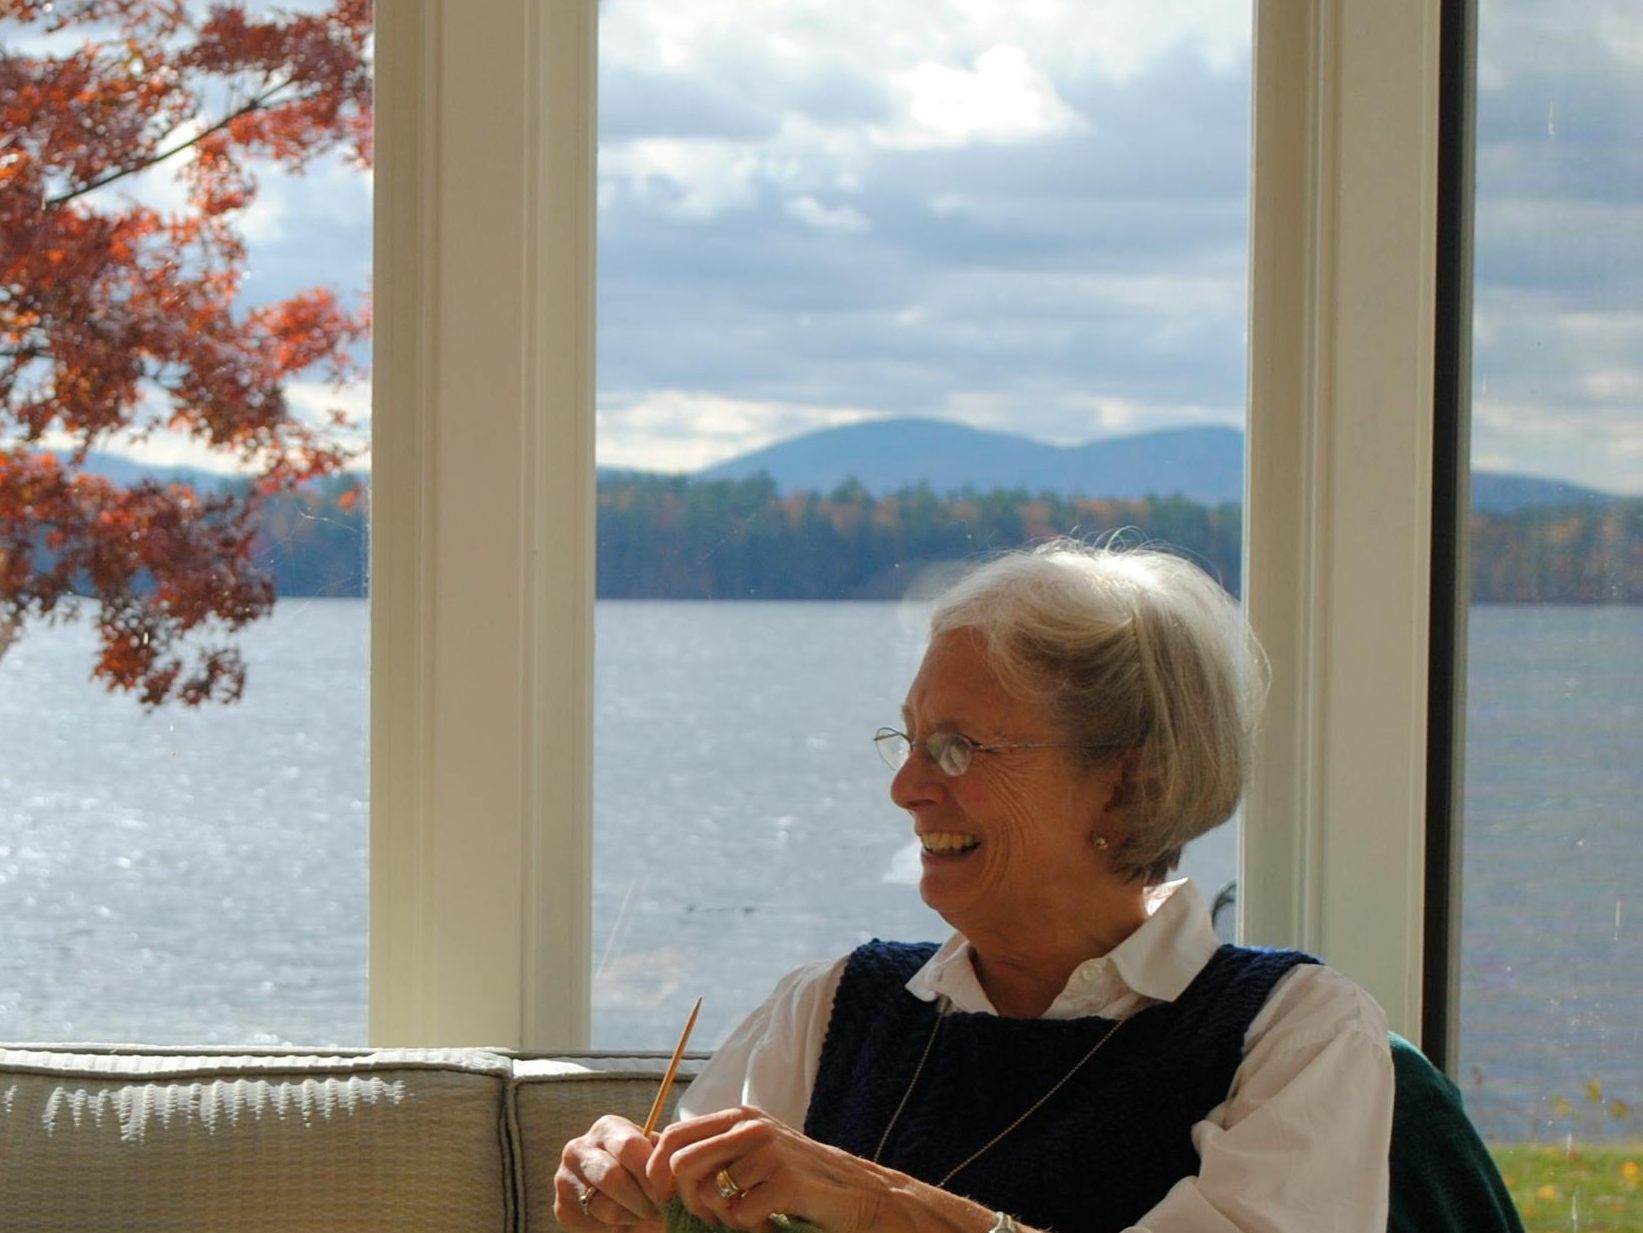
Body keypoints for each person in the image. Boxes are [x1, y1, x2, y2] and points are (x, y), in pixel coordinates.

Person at [557, 539, 1395, 1233]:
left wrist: (878, 1205)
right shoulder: (825, 1006)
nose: (905, 789)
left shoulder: (1298, 1033)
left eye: (955, 748)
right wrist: (630, 1199)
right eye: (909, 741)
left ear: (1127, 779)